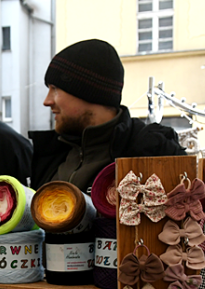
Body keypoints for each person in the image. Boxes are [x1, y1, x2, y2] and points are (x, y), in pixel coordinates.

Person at [29, 39, 186, 192]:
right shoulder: (51, 153)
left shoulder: (151, 151)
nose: (47, 101)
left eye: (55, 89)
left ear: (88, 92)